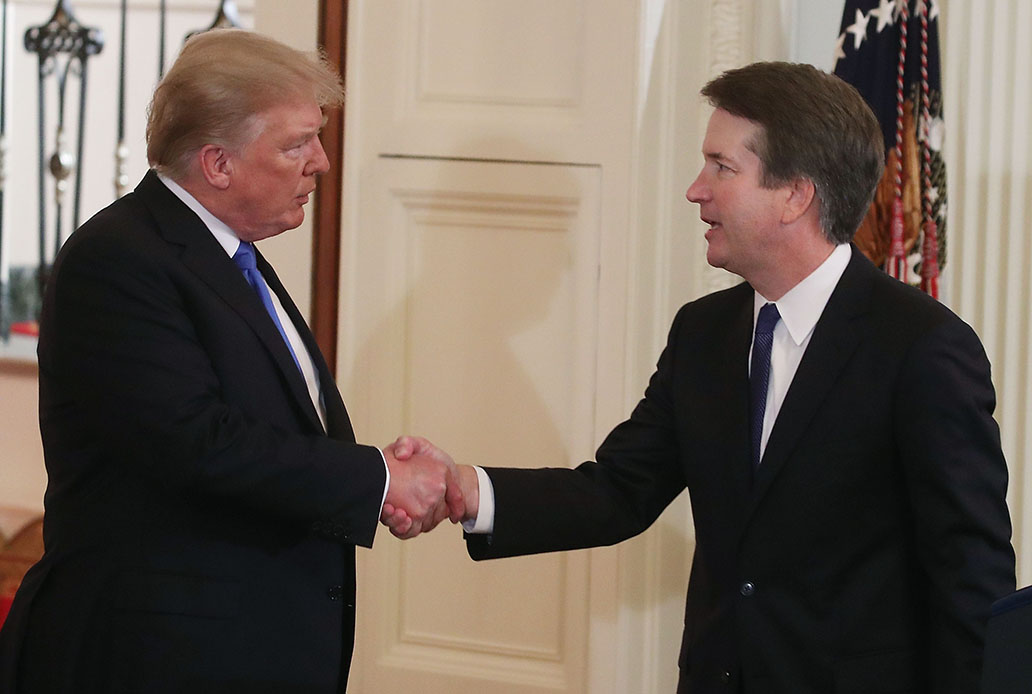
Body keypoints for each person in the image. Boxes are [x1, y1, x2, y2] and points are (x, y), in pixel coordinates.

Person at [384, 62, 1016, 693]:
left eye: (722, 167)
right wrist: (466, 488)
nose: (695, 189)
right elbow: (619, 492)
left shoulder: (922, 347)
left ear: (796, 194)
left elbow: (970, 576)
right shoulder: (703, 333)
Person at [0, 29, 461, 693]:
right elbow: (195, 442)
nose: (321, 163)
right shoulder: (119, 258)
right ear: (217, 163)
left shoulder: (225, 256)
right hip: (154, 660)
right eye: (296, 144)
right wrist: (377, 479)